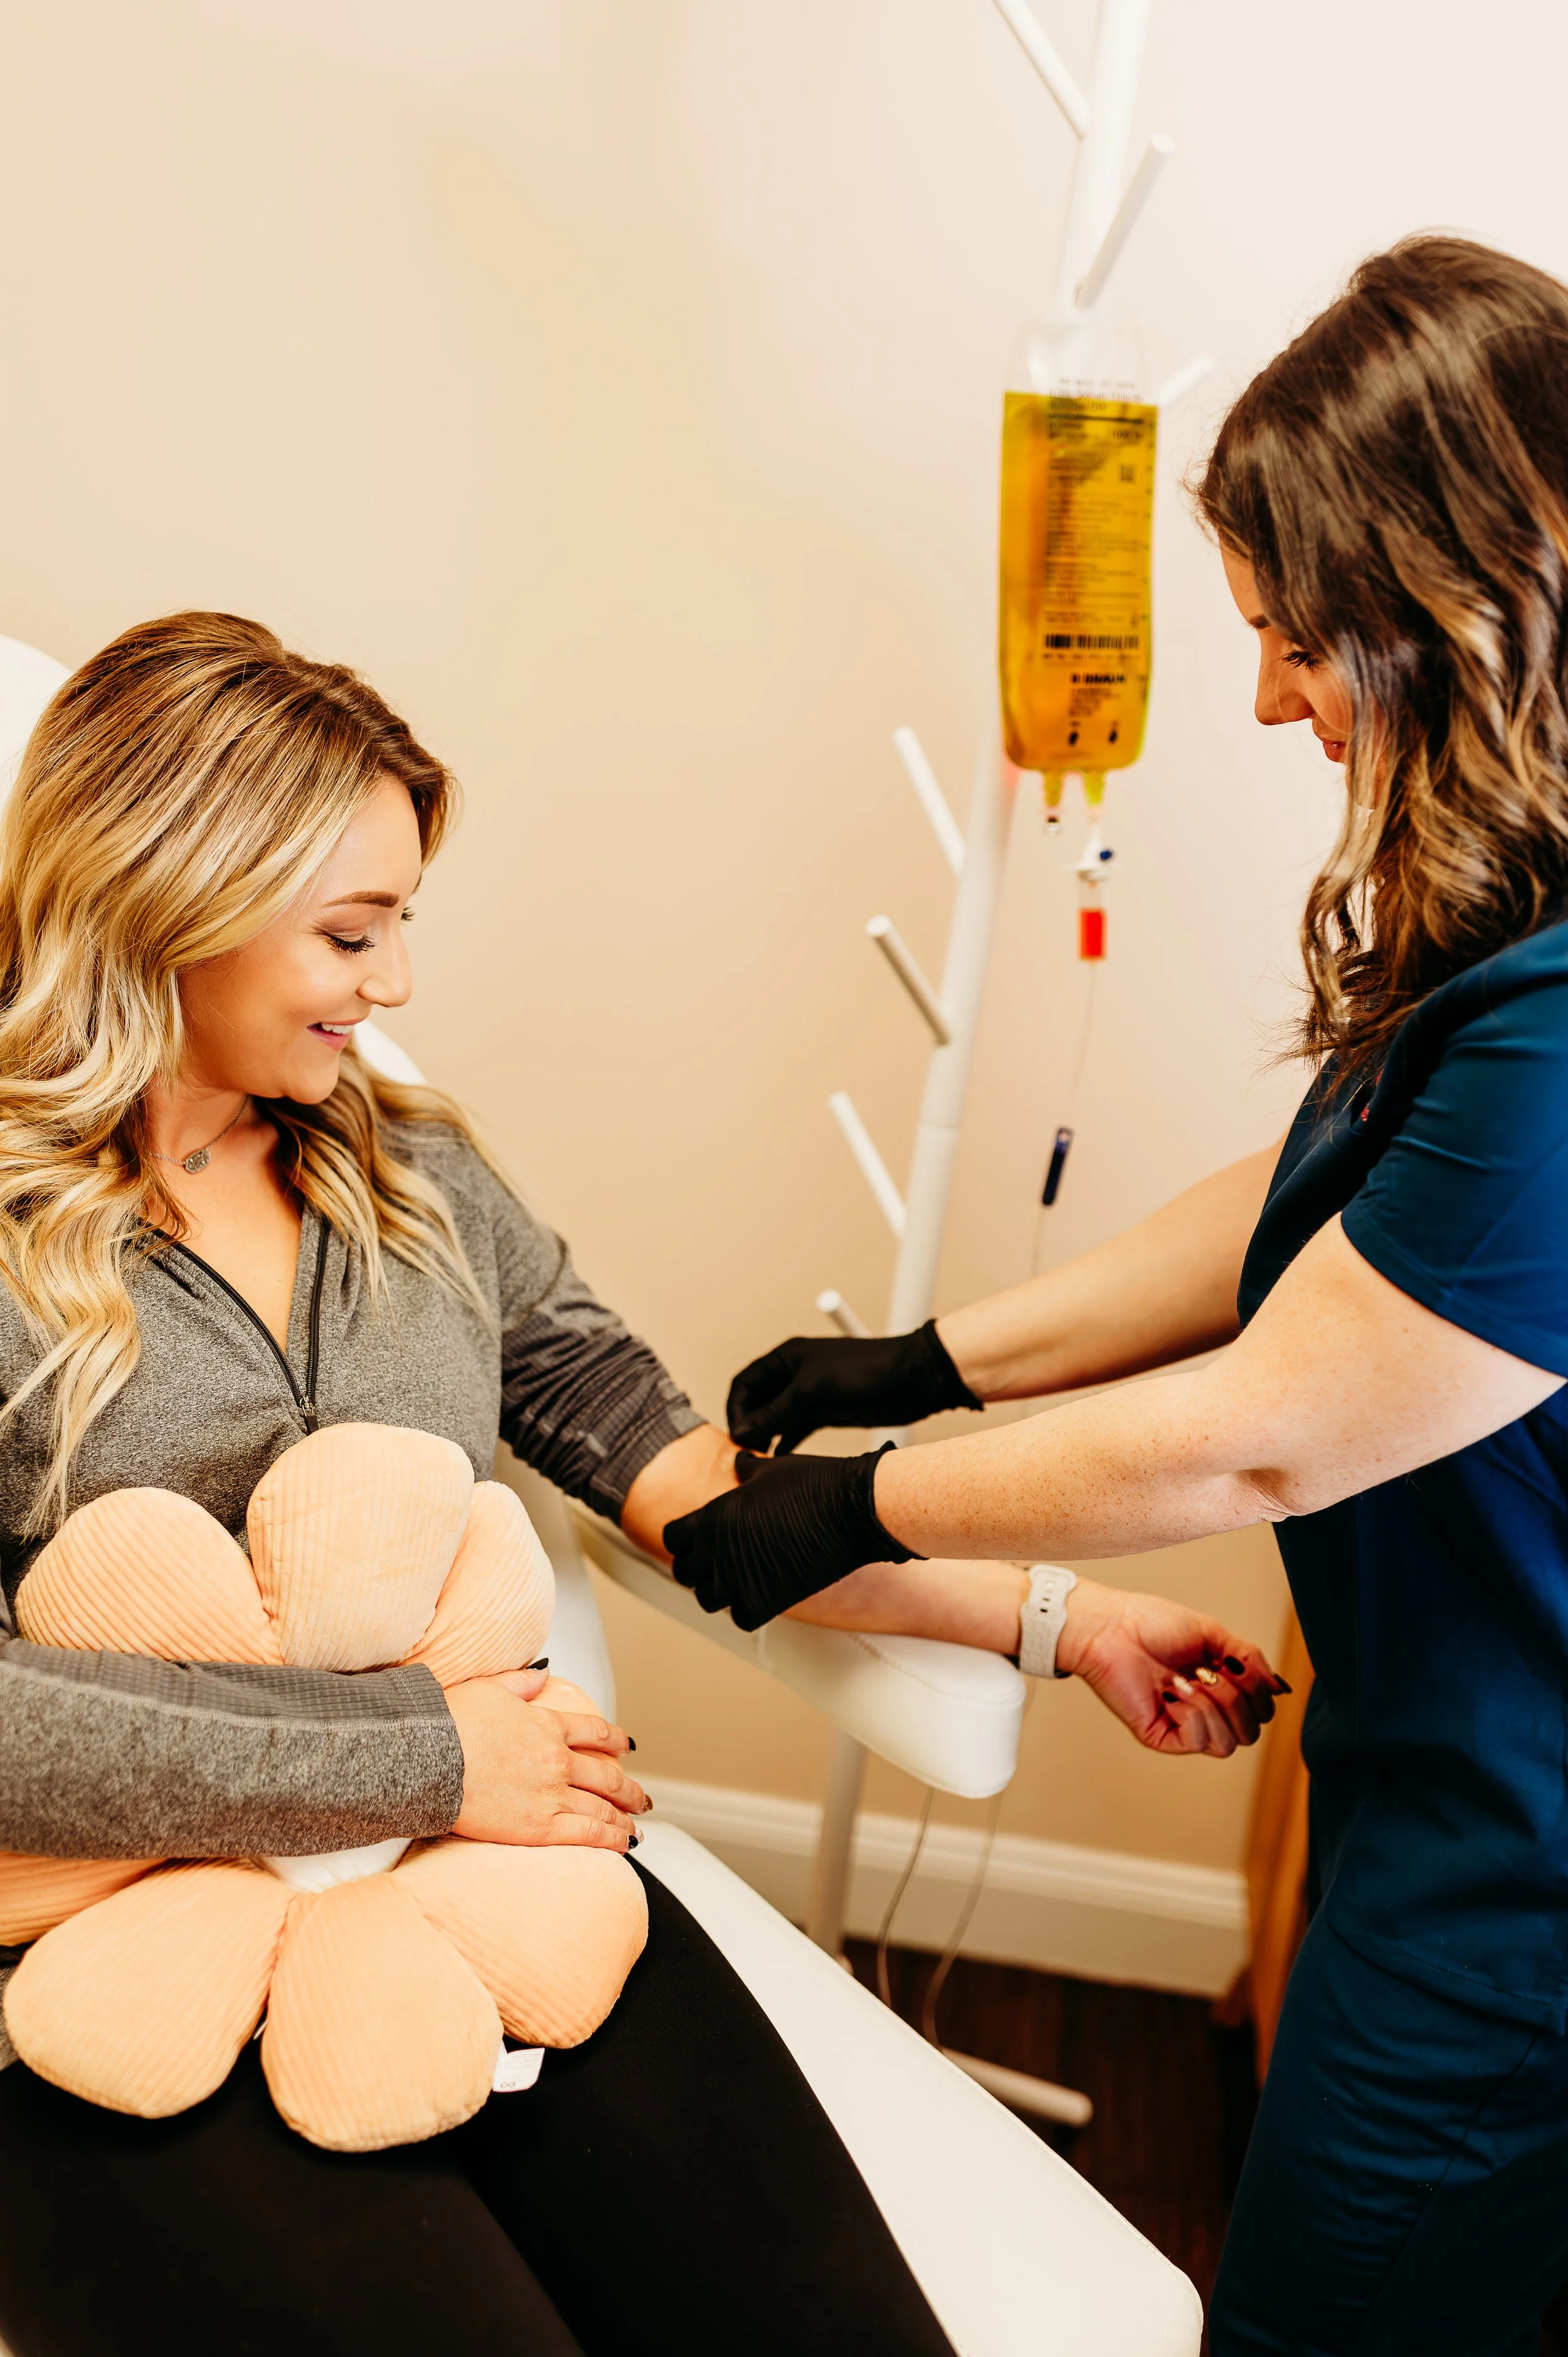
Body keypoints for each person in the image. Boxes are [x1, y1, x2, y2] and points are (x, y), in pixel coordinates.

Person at [0, 613, 1274, 2357]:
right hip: (116, 1962)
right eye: (352, 932)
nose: (394, 988)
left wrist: (1056, 1617)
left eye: (402, 927)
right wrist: (436, 1756)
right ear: (172, 898)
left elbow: (700, 1496)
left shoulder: (420, 1175)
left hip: (487, 1865)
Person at [669, 237, 1568, 2356]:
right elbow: (1313, 1194)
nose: (1264, 697)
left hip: (1518, 1869)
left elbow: (1280, 1412)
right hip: (1433, 1759)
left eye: (1292, 639)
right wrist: (934, 1356)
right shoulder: (1513, 917)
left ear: (1452, 591)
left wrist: (870, 1498)